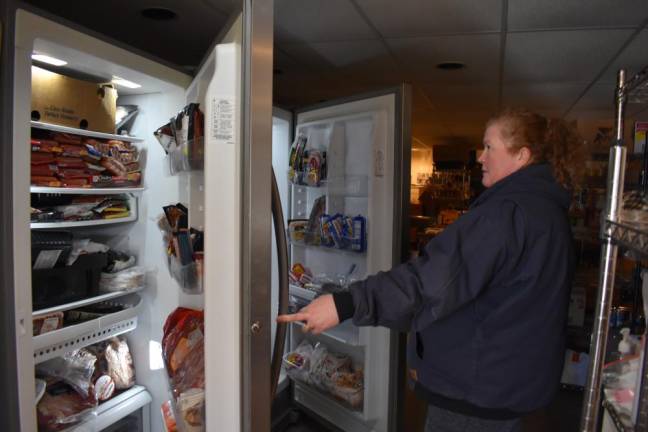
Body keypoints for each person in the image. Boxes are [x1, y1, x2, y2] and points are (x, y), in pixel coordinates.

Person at [277, 108, 582, 432]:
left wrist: (345, 303)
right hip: (509, 384)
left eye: (489, 147)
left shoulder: (504, 215)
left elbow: (429, 284)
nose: (480, 157)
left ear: (522, 155)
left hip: (477, 395)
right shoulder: (548, 212)